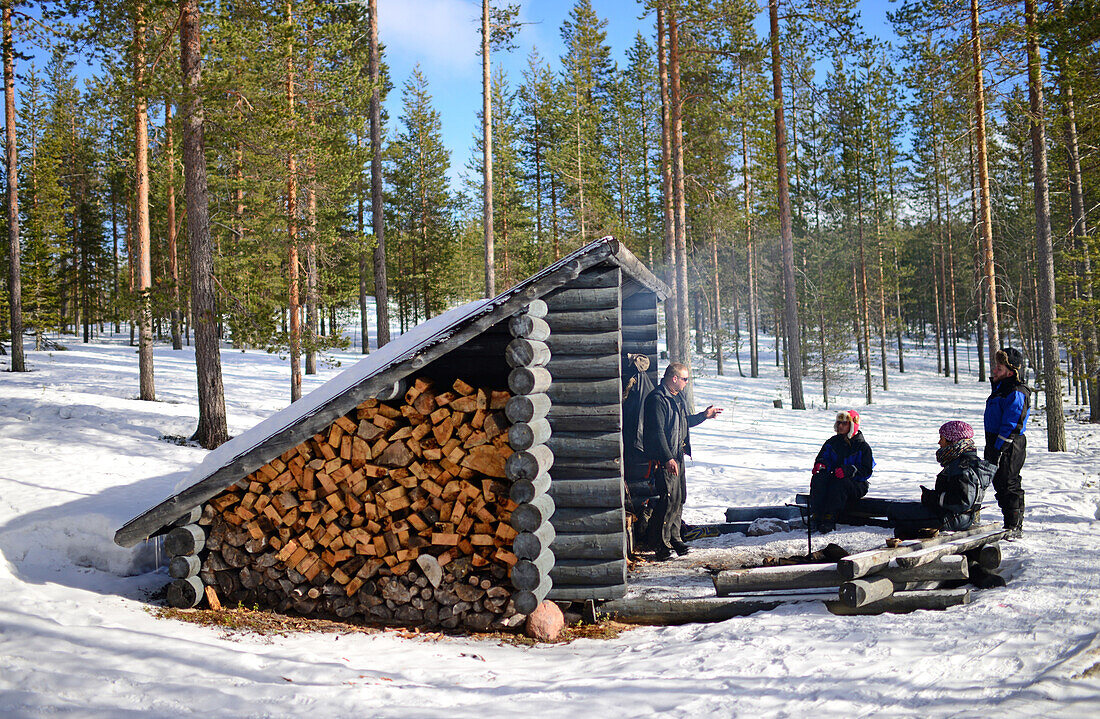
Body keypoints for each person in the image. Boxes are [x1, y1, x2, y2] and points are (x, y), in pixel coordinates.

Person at [641, 362, 722, 560]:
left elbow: (685, 422)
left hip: (677, 456)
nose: (687, 383)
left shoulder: (677, 398)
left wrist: (704, 416)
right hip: (664, 459)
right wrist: (667, 457)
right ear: (674, 378)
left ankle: (674, 538)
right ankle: (660, 544)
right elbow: (657, 432)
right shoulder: (657, 399)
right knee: (667, 500)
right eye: (685, 379)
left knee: (679, 499)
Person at [887, 421, 996, 537]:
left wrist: (932, 498)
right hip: (959, 518)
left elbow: (961, 502)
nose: (939, 443)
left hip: (951, 520)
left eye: (942, 438)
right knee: (900, 513)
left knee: (897, 513)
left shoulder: (962, 467)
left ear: (952, 440)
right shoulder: (966, 462)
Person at [985, 347, 1031, 537]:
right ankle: (1010, 523)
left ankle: (1014, 526)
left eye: (1000, 368)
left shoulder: (1017, 392)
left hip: (1010, 445)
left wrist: (999, 449)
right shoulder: (1001, 388)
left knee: (1008, 483)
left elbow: (1013, 424)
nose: (995, 370)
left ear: (1011, 372)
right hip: (995, 442)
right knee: (999, 482)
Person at [809, 410, 874, 532]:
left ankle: (829, 518)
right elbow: (823, 458)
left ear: (852, 426)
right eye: (839, 423)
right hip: (835, 479)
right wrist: (821, 465)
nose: (840, 426)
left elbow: (866, 470)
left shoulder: (863, 447)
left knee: (840, 483)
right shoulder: (832, 443)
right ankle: (816, 515)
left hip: (856, 484)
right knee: (819, 478)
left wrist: (849, 470)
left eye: (844, 424)